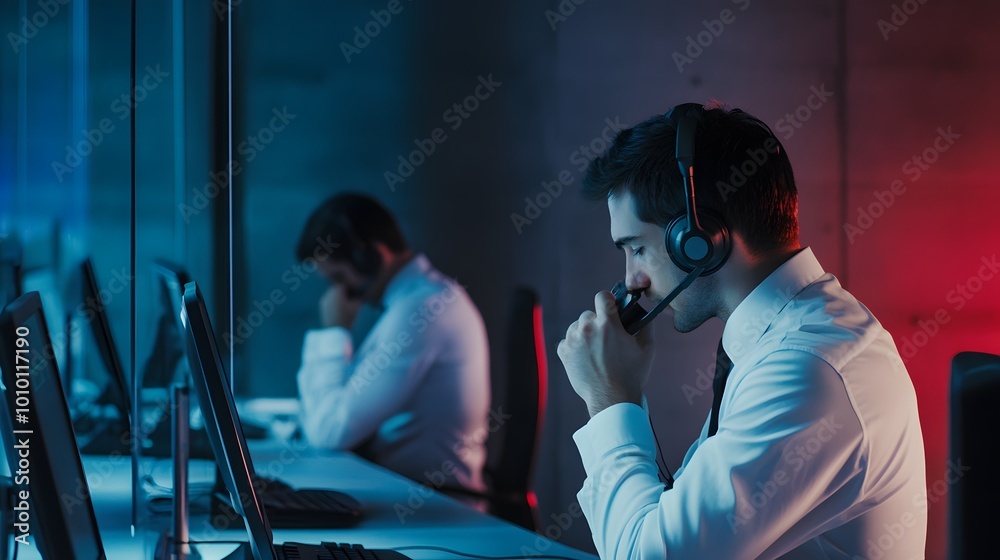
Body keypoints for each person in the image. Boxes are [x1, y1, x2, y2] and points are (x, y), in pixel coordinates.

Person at [557, 102, 926, 559]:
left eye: (636, 249)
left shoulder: (804, 371)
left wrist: (609, 399)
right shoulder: (781, 342)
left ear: (697, 241)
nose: (632, 280)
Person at [294, 192, 490, 493]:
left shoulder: (421, 312)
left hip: (434, 502)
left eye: (339, 278)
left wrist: (333, 331)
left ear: (370, 255)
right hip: (408, 492)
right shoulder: (420, 300)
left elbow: (329, 432)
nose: (338, 293)